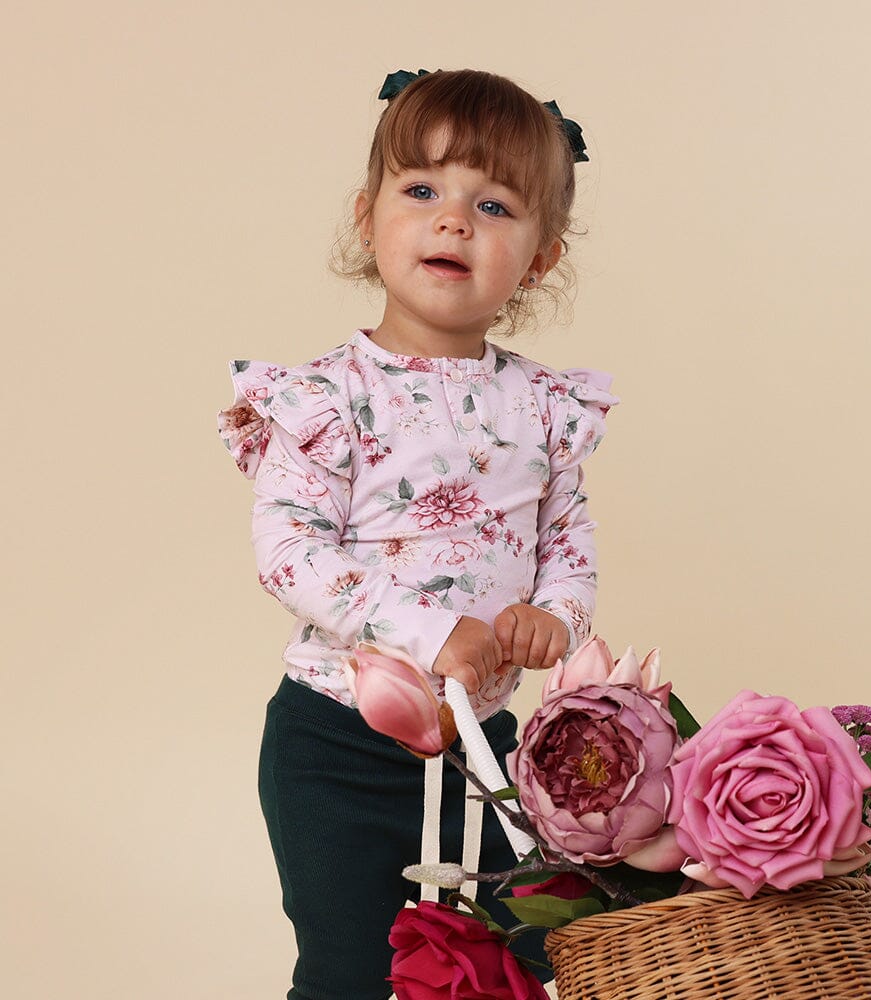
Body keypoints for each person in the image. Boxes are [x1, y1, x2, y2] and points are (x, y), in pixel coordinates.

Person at [218, 68, 617, 1000]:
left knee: (524, 955)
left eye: (494, 205)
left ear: (540, 258)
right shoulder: (324, 399)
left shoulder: (543, 408)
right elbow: (292, 553)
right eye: (423, 190)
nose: (455, 222)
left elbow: (568, 538)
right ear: (368, 218)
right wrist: (432, 633)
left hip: (487, 748)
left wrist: (555, 615)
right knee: (350, 968)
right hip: (336, 746)